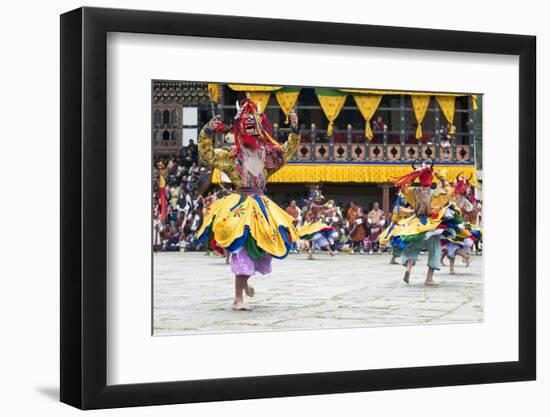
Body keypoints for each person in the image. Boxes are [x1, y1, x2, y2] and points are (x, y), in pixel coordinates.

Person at [196, 99, 300, 310]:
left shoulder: (267, 155)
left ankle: (244, 285)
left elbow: (286, 152)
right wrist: (207, 132)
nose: (251, 129)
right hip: (240, 206)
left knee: (259, 248)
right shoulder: (231, 155)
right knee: (241, 249)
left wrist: (295, 131)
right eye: (247, 124)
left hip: (260, 205)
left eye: (255, 124)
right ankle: (238, 299)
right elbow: (206, 155)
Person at [381, 161, 460, 285]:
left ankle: (409, 268)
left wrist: (413, 175)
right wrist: (440, 176)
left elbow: (403, 188)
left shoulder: (413, 191)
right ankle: (429, 279)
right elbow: (448, 190)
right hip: (432, 226)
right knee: (435, 250)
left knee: (413, 248)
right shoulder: (436, 193)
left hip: (417, 226)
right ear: (431, 178)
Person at [298, 190, 338, 260]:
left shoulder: (317, 206)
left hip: (317, 225)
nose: (319, 200)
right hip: (313, 226)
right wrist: (327, 204)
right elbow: (318, 208)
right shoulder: (312, 205)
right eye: (318, 198)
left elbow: (324, 212)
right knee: (319, 237)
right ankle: (330, 252)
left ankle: (311, 255)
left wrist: (331, 209)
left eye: (320, 198)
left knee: (318, 238)